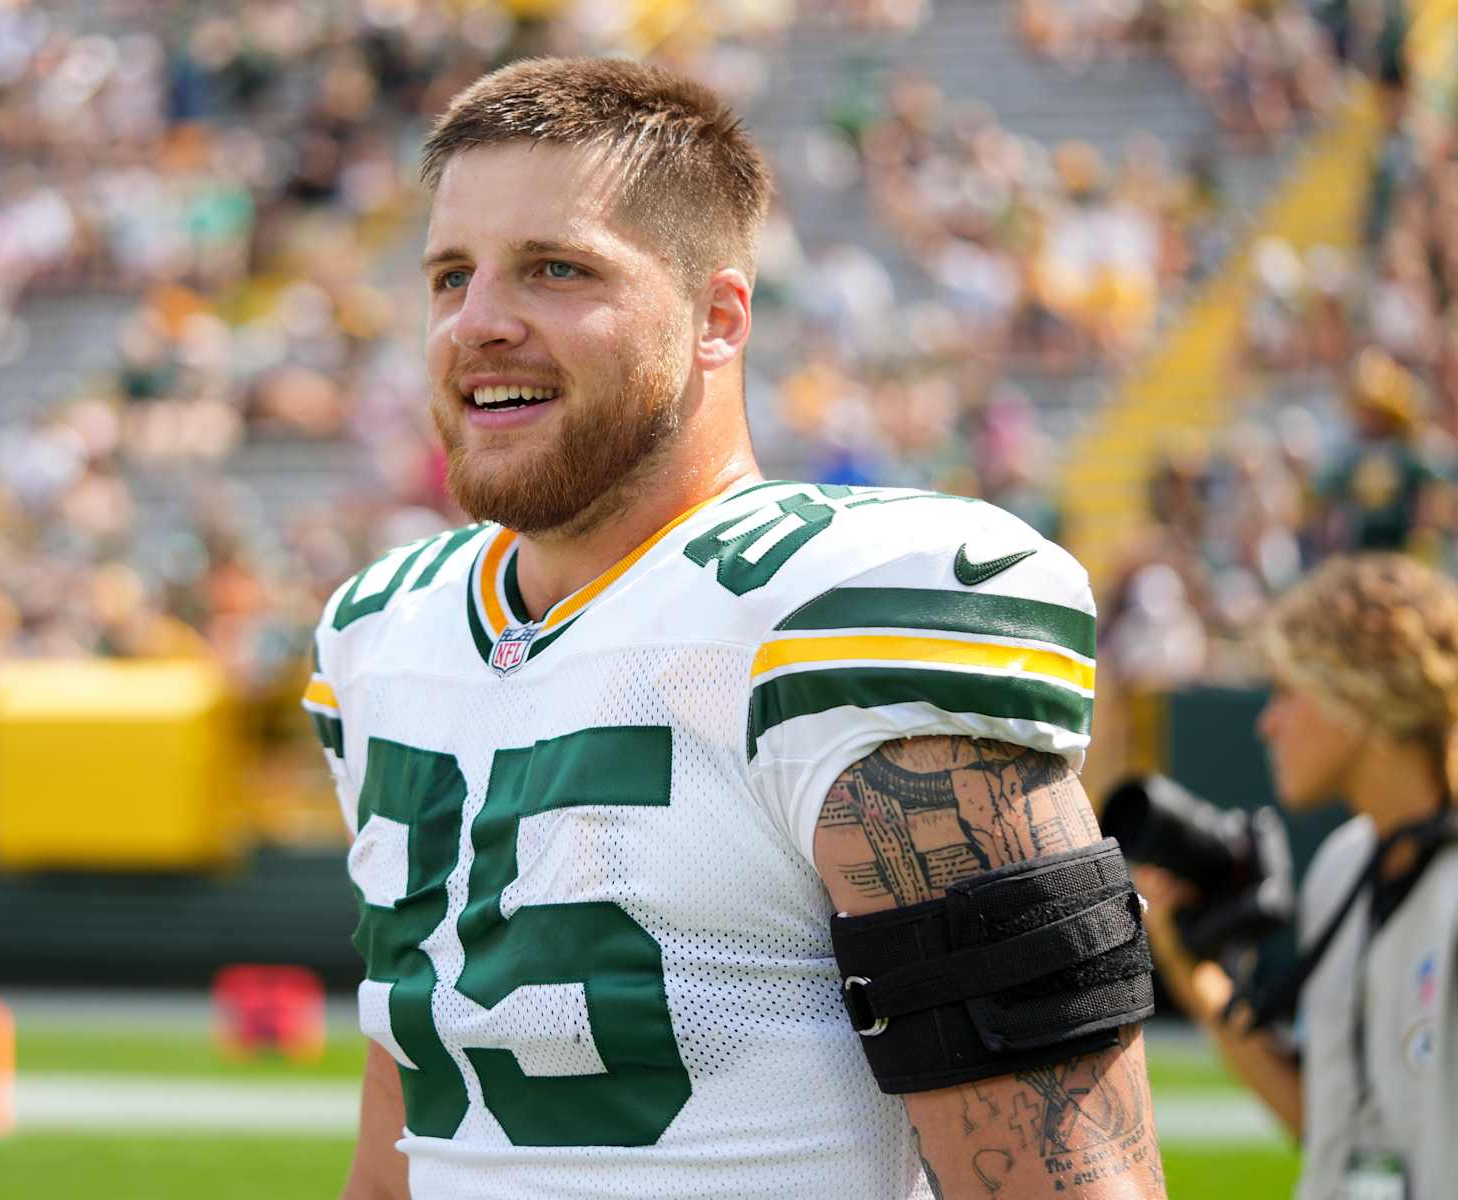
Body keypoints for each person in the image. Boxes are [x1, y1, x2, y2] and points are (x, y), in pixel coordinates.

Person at [305, 58, 1163, 1200]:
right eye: (451, 276)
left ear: (718, 317)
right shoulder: (385, 635)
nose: (479, 323)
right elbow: (403, 1146)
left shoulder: (844, 612)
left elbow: (1070, 1184)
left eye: (557, 269)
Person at [1140, 553, 1458, 1200]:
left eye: (1288, 690)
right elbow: (1328, 1129)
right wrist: (1193, 975)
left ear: (1362, 694)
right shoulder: (1344, 864)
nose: (1268, 722)